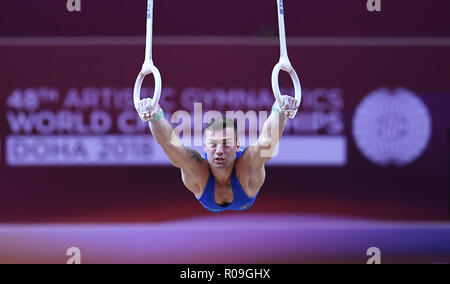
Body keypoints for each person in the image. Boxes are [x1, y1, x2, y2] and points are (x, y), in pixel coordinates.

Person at [138, 96, 299, 213]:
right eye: (213, 144)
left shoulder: (248, 163)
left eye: (226, 143)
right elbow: (168, 142)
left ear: (237, 145)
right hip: (224, 192)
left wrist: (280, 110)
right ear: (205, 147)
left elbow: (267, 140)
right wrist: (154, 115)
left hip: (243, 188)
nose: (219, 150)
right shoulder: (197, 167)